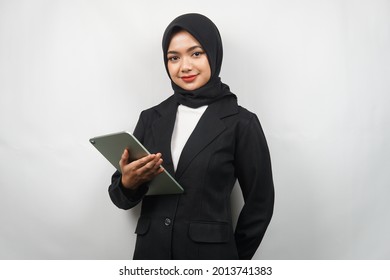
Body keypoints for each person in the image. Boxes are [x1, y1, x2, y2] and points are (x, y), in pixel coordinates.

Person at [108, 13, 274, 260]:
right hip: (150, 257)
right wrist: (127, 184)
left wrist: (233, 263)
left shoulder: (241, 122)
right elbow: (120, 199)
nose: (184, 66)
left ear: (213, 54)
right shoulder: (150, 118)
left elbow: (260, 204)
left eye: (196, 53)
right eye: (173, 57)